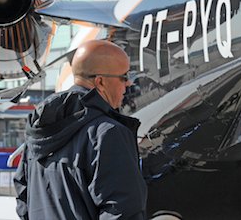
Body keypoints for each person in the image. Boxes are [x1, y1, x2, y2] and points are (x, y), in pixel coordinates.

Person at [14, 40, 147, 219]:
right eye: (124, 76)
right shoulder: (107, 134)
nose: (129, 83)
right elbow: (123, 210)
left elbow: (24, 199)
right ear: (100, 82)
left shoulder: (39, 127)